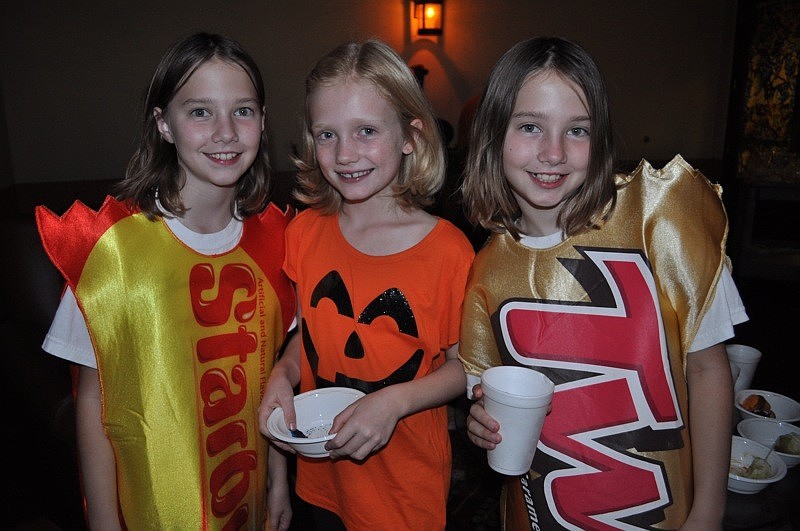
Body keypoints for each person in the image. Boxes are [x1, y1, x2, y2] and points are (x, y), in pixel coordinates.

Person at [459, 37, 748, 530]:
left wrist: (709, 511)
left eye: (577, 130)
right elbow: (487, 397)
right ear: (493, 135)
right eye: (530, 126)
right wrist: (480, 426)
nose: (553, 152)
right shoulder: (485, 273)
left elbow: (707, 368)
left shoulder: (661, 219)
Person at [36, 32, 296, 530]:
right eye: (200, 112)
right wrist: (103, 522)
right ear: (164, 124)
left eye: (242, 111)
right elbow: (92, 402)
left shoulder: (278, 243)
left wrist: (278, 479)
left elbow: (273, 374)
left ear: (263, 122)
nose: (225, 132)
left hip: (247, 499)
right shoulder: (112, 252)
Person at [257, 39, 474, 530]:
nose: (345, 153)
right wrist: (283, 374)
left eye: (367, 131)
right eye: (327, 134)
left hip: (404, 495)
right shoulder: (304, 232)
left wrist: (396, 401)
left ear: (410, 136)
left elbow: (465, 367)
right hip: (320, 479)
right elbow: (308, 335)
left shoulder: (448, 251)